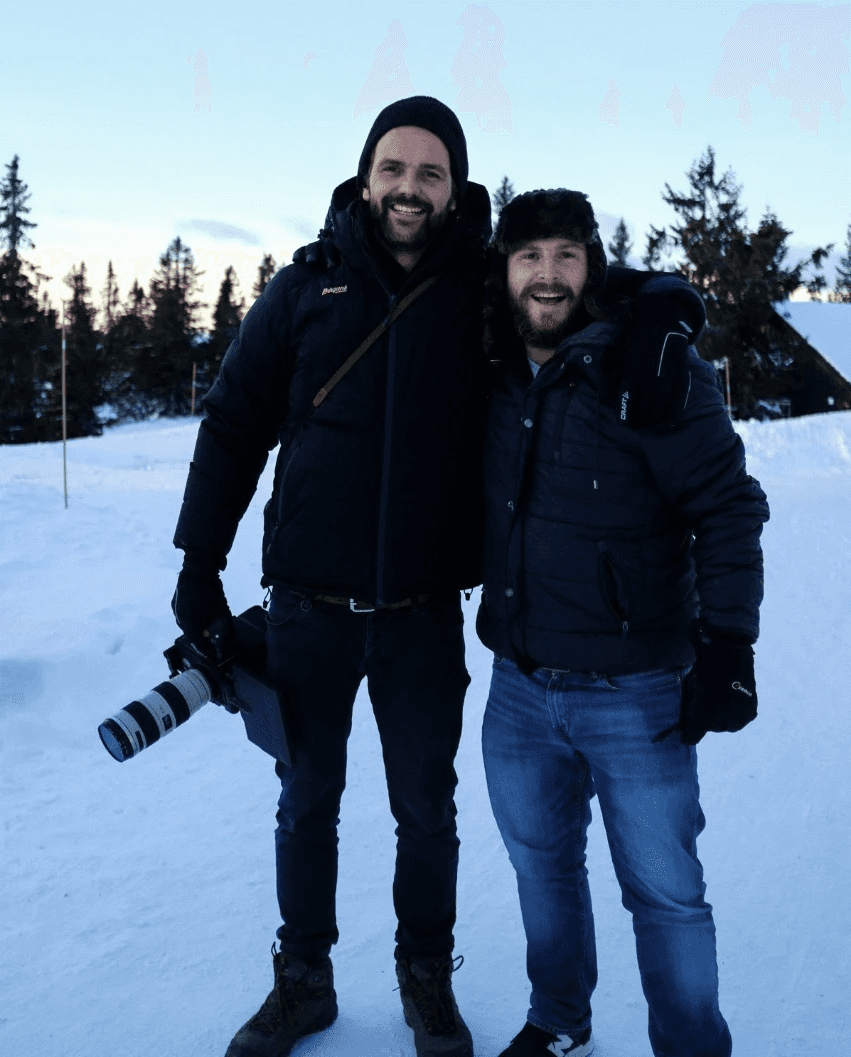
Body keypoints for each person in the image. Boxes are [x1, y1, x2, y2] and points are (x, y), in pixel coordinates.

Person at [171, 97, 706, 1057]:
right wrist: (197, 565)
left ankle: (425, 977)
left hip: (421, 612)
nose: (409, 190)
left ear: (454, 186)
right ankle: (303, 979)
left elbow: (575, 284)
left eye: (431, 173)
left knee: (427, 807)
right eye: (394, 168)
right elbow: (233, 424)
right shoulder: (306, 287)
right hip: (306, 608)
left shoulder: (477, 283)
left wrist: (669, 302)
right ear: (365, 173)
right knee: (306, 801)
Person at [475, 188, 770, 1057]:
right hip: (519, 688)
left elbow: (727, 505)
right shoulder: (491, 367)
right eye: (528, 255)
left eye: (566, 254)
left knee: (665, 892)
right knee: (542, 870)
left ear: (591, 265)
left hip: (635, 691)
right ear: (503, 269)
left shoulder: (650, 365)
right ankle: (559, 1021)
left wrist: (728, 644)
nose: (547, 274)